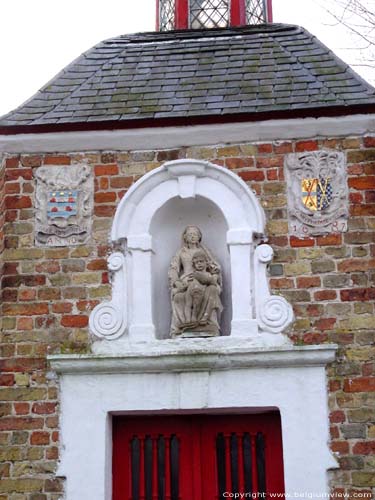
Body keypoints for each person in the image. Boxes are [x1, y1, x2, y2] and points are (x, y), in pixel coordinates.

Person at [168, 226, 223, 336]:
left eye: (195, 234)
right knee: (179, 297)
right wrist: (177, 282)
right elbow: (173, 269)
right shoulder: (181, 252)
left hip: (203, 279)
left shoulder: (204, 251)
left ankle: (206, 323)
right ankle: (186, 325)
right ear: (185, 237)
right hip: (187, 280)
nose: (193, 236)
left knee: (212, 290)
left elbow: (213, 265)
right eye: (190, 234)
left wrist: (215, 272)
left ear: (199, 237)